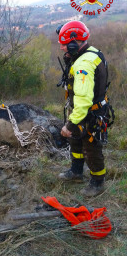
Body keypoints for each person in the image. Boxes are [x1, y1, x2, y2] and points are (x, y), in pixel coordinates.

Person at [56, 21, 110, 197]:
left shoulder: (83, 65)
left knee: (91, 146)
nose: (62, 48)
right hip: (89, 109)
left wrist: (70, 125)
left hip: (90, 111)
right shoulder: (92, 52)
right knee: (76, 140)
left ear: (74, 43)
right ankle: (76, 172)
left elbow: (83, 100)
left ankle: (97, 182)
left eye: (64, 45)